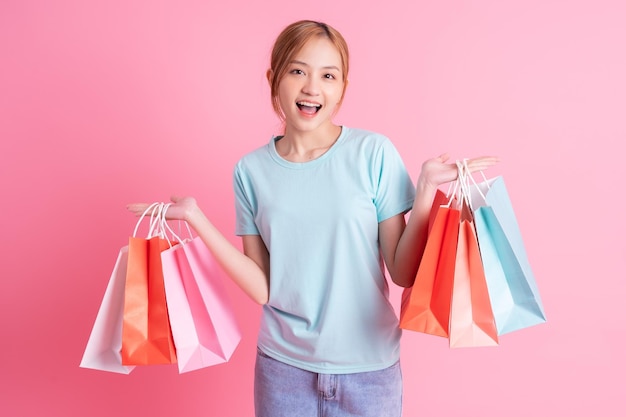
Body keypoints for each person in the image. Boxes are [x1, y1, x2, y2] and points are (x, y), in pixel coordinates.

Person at [128, 20, 497, 417]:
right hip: (283, 371)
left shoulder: (373, 153)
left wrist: (424, 191)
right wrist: (196, 218)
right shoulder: (250, 171)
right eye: (298, 71)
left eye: (328, 76)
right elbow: (263, 288)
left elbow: (403, 273)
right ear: (274, 78)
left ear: (342, 89)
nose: (312, 87)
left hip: (369, 373)